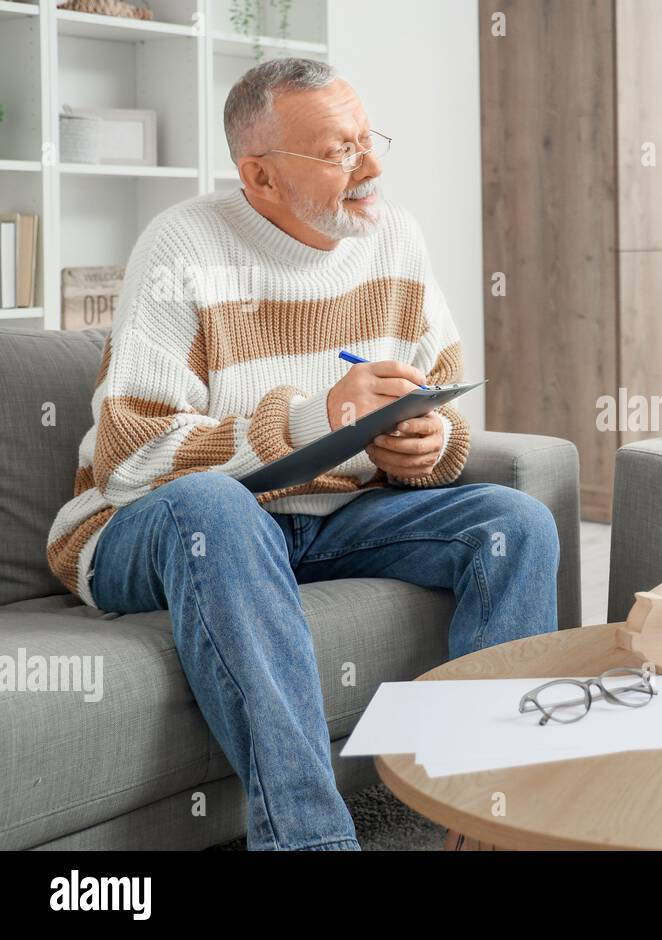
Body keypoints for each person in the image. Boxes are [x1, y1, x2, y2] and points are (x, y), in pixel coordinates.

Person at [45, 58, 560, 851]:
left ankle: (493, 820)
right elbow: (130, 456)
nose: (373, 167)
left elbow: (447, 402)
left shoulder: (397, 240)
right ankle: (309, 842)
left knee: (515, 522)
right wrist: (312, 417)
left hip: (330, 520)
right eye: (339, 151)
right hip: (145, 527)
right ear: (260, 174)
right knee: (220, 509)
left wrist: (425, 444)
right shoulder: (182, 244)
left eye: (369, 141)